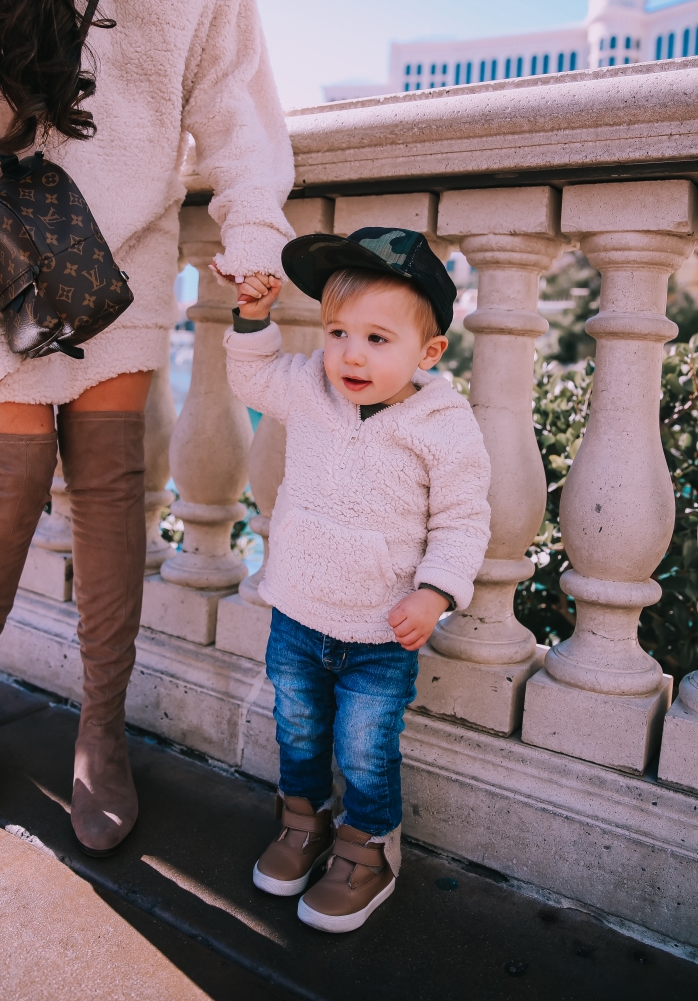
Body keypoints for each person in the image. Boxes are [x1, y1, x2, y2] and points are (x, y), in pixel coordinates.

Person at [0, 0, 295, 856]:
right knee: (2, 488)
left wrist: (253, 221)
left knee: (108, 488)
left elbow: (228, 77)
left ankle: (103, 726)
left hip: (124, 247)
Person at [222, 227, 491, 932]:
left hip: (379, 633)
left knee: (366, 750)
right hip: (298, 615)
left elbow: (463, 521)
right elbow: (251, 378)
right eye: (338, 330)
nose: (349, 352)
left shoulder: (442, 423)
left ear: (429, 352)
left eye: (377, 338)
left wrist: (435, 592)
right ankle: (303, 820)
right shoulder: (311, 384)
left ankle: (367, 846)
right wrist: (253, 319)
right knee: (299, 731)